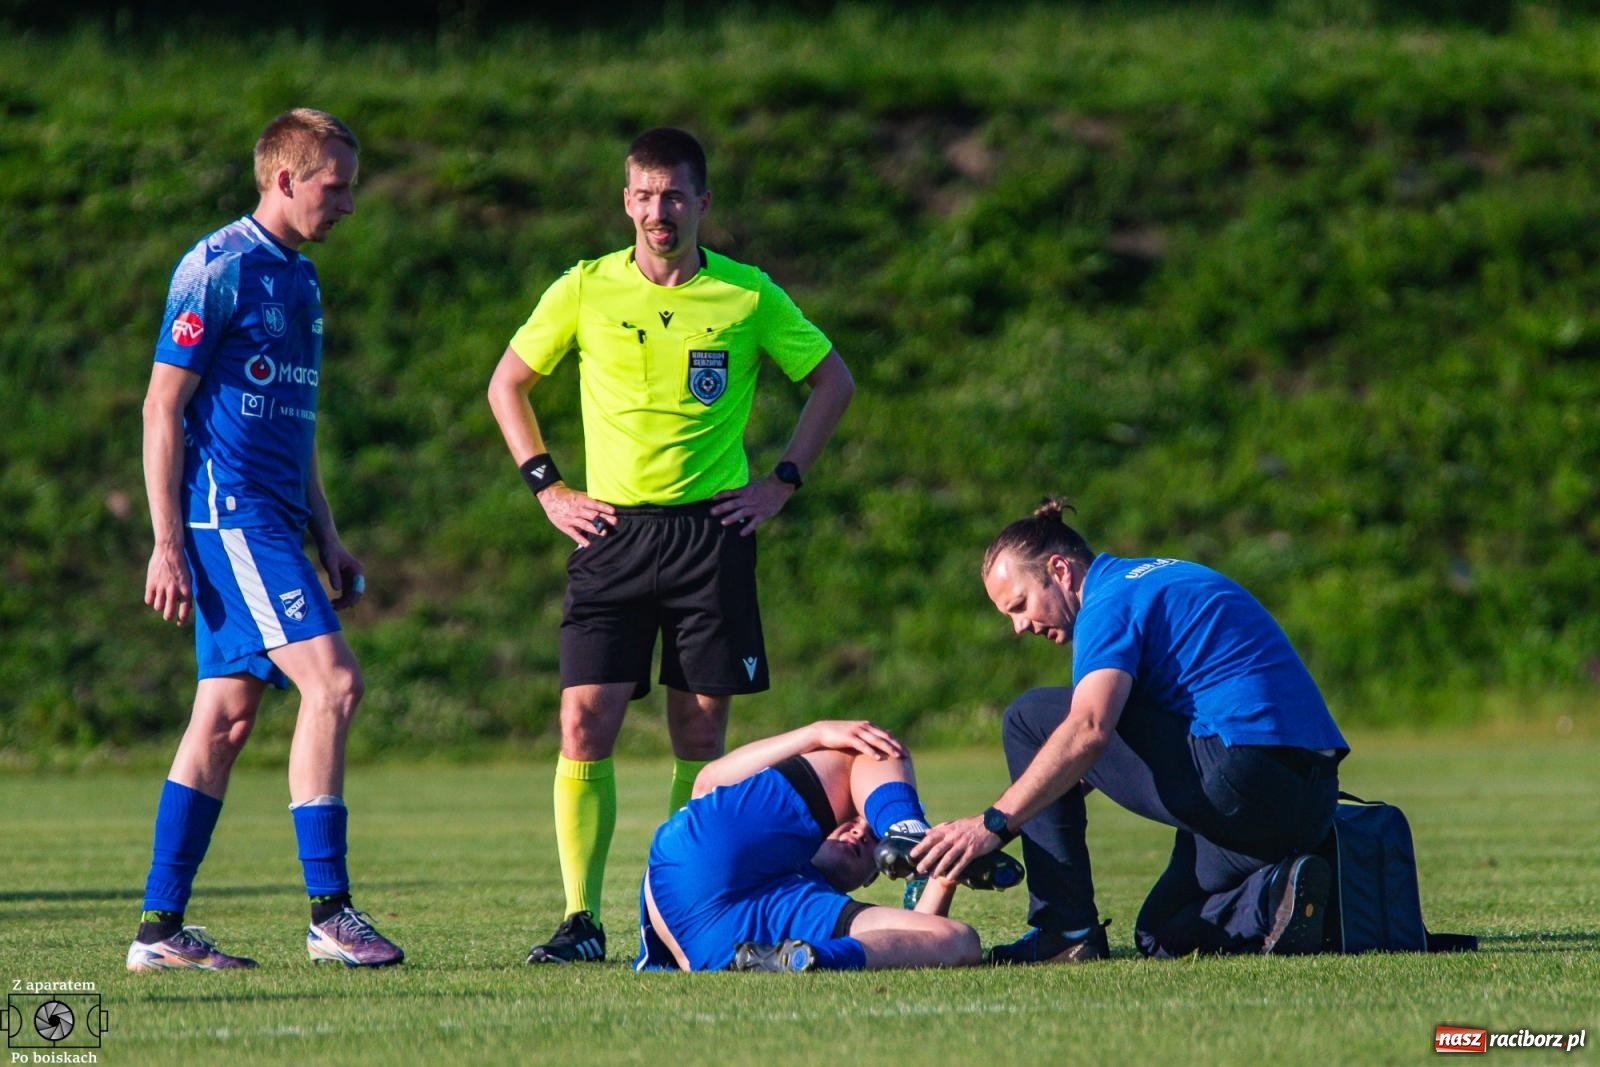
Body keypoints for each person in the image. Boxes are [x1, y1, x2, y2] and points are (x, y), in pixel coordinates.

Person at [487, 127, 856, 964]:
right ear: (626, 200)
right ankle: (581, 917)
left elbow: (834, 377)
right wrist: (547, 484)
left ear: (703, 202)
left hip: (709, 536)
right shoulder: (584, 288)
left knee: (700, 738)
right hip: (611, 531)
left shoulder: (747, 294)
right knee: (585, 720)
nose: (660, 211)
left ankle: (682, 904)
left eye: (676, 195)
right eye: (645, 195)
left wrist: (782, 480)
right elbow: (507, 382)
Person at [129, 109, 402, 971]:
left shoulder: (301, 280)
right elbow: (162, 407)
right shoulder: (216, 269)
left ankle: (158, 932)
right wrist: (167, 540)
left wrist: (330, 533)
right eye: (337, 184)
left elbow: (294, 425)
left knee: (225, 717)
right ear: (286, 178)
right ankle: (330, 912)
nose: (349, 203)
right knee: (335, 682)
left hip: (277, 518)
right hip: (229, 516)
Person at [912, 499, 1349, 963]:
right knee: (1161, 933)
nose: (1020, 626)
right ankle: (1277, 896)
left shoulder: (1108, 602)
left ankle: (1065, 930)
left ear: (1060, 570)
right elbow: (1097, 761)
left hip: (1243, 774)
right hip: (1309, 802)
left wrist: (992, 825)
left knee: (1031, 718)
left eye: (1019, 605)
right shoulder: (1161, 576)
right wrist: (1021, 812)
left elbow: (1089, 731)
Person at [636, 720, 1022, 972]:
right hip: (699, 879)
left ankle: (811, 959)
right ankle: (906, 829)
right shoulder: (772, 842)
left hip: (735, 946)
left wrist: (945, 869)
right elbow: (709, 781)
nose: (856, 832)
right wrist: (816, 734)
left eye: (872, 837)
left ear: (873, 877)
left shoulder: (814, 901)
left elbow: (925, 938)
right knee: (870, 748)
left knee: (960, 941)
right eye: (849, 820)